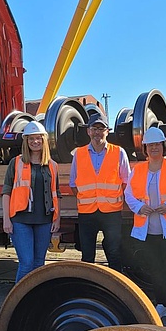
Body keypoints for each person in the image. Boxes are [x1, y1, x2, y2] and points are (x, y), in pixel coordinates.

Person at [124, 127, 166, 328]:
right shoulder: (138, 170)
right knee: (156, 270)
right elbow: (129, 194)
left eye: (157, 144)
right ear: (145, 148)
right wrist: (139, 207)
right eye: (150, 145)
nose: (154, 148)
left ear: (163, 146)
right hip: (149, 230)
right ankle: (162, 304)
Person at [70, 112, 130, 272]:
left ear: (107, 131)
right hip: (87, 213)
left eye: (101, 128)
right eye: (94, 128)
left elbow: (126, 182)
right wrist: (87, 198)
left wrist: (111, 199)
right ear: (88, 131)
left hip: (111, 212)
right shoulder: (79, 154)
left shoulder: (119, 152)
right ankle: (89, 290)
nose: (97, 132)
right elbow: (73, 183)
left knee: (114, 253)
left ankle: (118, 289)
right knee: (87, 256)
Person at [2, 121, 61, 283]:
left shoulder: (52, 166)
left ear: (44, 141)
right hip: (21, 220)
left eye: (39, 138)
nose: (35, 142)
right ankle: (17, 302)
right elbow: (6, 192)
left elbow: (57, 194)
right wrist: (6, 219)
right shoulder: (16, 163)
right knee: (27, 263)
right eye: (31, 139)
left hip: (44, 220)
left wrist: (57, 218)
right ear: (26, 141)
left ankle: (34, 299)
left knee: (39, 264)